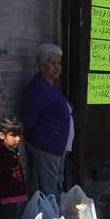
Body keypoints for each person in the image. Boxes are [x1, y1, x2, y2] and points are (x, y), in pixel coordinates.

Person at [21, 43, 73, 203]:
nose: (57, 67)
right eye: (52, 63)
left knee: (57, 185)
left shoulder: (50, 85)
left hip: (57, 146)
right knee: (50, 190)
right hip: (47, 147)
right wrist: (42, 139)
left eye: (59, 63)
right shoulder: (37, 88)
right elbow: (29, 121)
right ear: (42, 65)